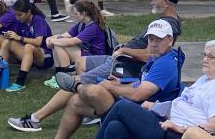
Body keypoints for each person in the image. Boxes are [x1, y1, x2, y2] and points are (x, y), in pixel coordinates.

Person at [6, 0, 181, 134]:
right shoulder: (163, 21)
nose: (152, 1)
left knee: (76, 82)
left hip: (126, 63)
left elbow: (149, 54)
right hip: (118, 58)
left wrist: (124, 50)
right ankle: (89, 101)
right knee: (81, 63)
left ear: (165, 2)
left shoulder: (169, 26)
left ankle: (35, 118)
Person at [52, 19, 182, 139]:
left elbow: (138, 95)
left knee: (97, 92)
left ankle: (77, 85)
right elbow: (142, 85)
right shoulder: (159, 57)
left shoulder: (164, 64)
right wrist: (119, 84)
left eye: (158, 40)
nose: (153, 44)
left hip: (151, 114)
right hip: (144, 108)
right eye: (150, 39)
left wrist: (112, 87)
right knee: (76, 102)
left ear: (170, 40)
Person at [96, 39, 215, 139]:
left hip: (174, 133)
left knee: (122, 107)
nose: (205, 59)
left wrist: (180, 128)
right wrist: (156, 106)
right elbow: (185, 104)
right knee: (115, 128)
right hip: (164, 120)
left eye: (211, 57)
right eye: (205, 55)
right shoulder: (204, 80)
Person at [43, 0, 108, 89]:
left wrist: (53, 41)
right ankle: (58, 75)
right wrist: (50, 38)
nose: (74, 16)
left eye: (76, 13)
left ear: (83, 13)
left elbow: (71, 41)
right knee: (58, 43)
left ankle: (67, 76)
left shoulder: (93, 27)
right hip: (86, 52)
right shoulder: (82, 24)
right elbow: (66, 35)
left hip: (95, 57)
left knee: (60, 44)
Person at [1, 0, 54, 92]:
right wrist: (10, 35)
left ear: (29, 12)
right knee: (6, 42)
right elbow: (16, 36)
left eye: (20, 15)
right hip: (30, 54)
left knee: (29, 46)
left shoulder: (38, 20)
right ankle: (0, 75)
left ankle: (20, 82)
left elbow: (38, 42)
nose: (17, 17)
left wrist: (20, 38)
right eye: (16, 15)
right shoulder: (21, 21)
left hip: (45, 56)